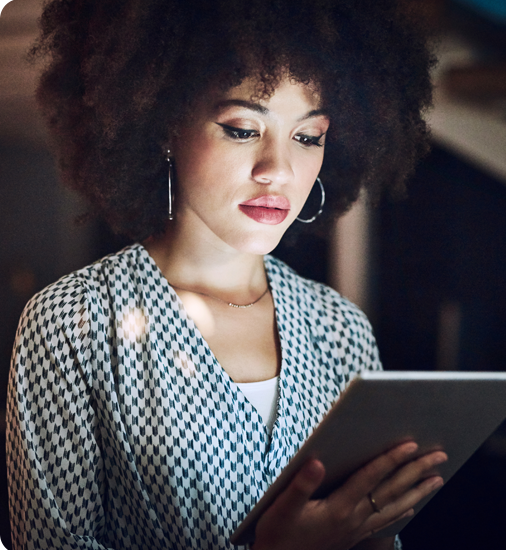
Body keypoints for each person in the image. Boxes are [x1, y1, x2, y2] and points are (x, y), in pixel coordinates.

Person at [6, 0, 447, 548]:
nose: (278, 170)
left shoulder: (340, 327)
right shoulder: (73, 321)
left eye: (308, 137)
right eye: (242, 129)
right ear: (161, 123)